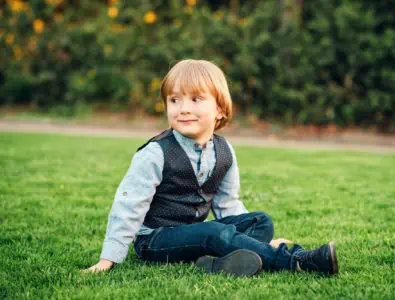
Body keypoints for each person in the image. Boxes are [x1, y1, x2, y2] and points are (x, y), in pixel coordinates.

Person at [84, 59, 338, 276]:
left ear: (219, 109)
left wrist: (248, 233)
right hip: (155, 239)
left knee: (260, 221)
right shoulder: (155, 153)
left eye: (196, 99)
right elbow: (129, 205)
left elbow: (228, 205)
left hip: (195, 233)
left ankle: (216, 262)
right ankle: (297, 261)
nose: (184, 109)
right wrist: (109, 258)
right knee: (214, 232)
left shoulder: (224, 150)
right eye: (174, 100)